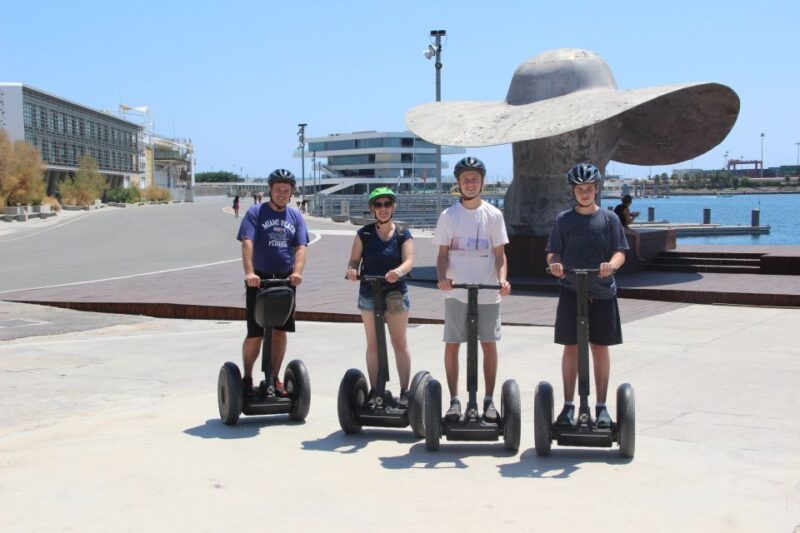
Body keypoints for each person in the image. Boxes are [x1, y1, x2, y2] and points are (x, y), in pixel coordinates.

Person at [545, 162, 628, 429]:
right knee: (571, 347)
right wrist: (555, 264)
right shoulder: (563, 220)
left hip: (602, 292)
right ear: (573, 191)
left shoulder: (609, 219)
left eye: (589, 188)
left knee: (599, 348)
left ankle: (601, 407)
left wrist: (611, 265)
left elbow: (620, 251)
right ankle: (569, 406)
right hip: (571, 290)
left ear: (596, 190)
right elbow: (553, 251)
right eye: (580, 189)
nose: (584, 193)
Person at [433, 156, 511, 423]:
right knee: (452, 344)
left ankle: (488, 400)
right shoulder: (448, 216)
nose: (470, 183)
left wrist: (502, 280)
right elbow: (442, 255)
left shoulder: (493, 215)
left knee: (488, 344)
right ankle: (455, 401)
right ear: (458, 183)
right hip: (457, 292)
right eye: (465, 179)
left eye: (474, 179)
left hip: (488, 292)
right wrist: (442, 277)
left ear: (482, 182)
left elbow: (500, 255)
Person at [237, 169, 309, 397]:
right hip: (259, 280)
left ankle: (274, 378)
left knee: (280, 331)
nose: (281, 193)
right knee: (255, 333)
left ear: (292, 193)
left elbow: (301, 248)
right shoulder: (256, 213)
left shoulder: (296, 216)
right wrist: (250, 273)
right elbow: (247, 242)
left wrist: (297, 272)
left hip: (285, 280)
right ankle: (247, 378)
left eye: (286, 190)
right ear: (270, 189)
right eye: (278, 189)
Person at [345, 187, 414, 406]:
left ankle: (405, 391)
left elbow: (409, 260)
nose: (383, 209)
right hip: (369, 292)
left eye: (387, 204)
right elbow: (354, 260)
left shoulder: (403, 232)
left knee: (399, 343)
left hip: (395, 294)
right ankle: (376, 391)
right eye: (378, 205)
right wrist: (352, 270)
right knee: (373, 345)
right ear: (372, 209)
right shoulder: (364, 234)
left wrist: (398, 272)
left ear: (393, 207)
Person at [613, 194, 642, 260]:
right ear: (630, 202)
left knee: (628, 228)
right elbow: (629, 222)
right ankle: (637, 255)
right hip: (620, 229)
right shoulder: (626, 208)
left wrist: (631, 214)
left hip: (615, 227)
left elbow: (622, 215)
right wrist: (634, 216)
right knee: (637, 235)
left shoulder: (618, 206)